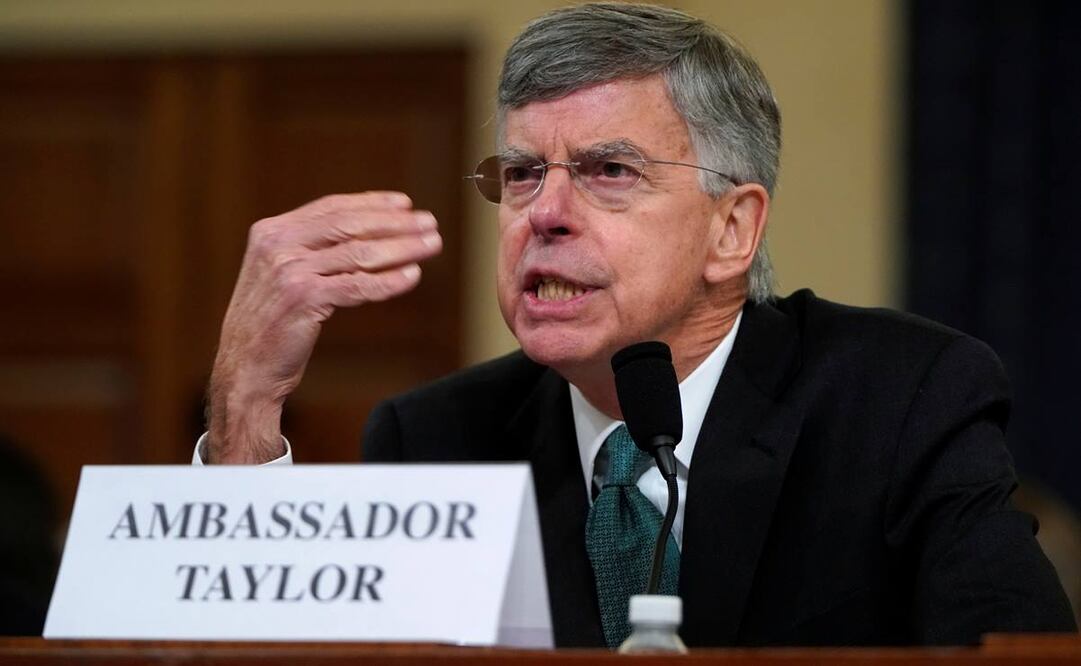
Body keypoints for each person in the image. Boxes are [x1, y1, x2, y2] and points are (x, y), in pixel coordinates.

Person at [197, 2, 1077, 648]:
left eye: (608, 171)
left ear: (731, 229)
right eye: (521, 173)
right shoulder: (436, 437)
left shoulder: (900, 399)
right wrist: (247, 403)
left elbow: (1018, 653)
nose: (544, 213)